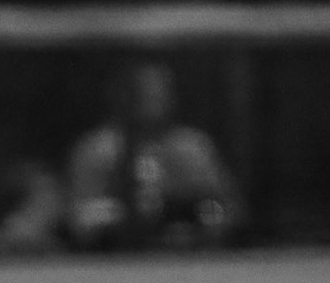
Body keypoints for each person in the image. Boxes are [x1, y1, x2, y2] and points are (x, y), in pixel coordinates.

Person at [66, 62, 239, 251]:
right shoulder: (97, 150)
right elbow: (79, 220)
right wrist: (125, 212)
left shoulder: (192, 148)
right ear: (122, 95)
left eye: (160, 91)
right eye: (143, 91)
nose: (153, 98)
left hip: (190, 259)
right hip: (113, 261)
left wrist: (195, 219)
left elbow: (226, 210)